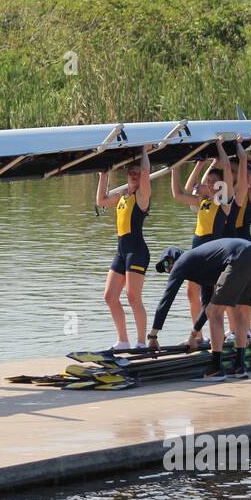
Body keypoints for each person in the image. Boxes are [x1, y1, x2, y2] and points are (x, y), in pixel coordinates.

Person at [146, 237, 251, 381]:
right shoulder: (203, 266)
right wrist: (193, 336)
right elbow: (206, 306)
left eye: (166, 263)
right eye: (164, 269)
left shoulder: (182, 261)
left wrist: (153, 336)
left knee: (215, 312)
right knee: (238, 311)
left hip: (241, 255)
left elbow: (166, 300)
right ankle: (239, 367)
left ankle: (215, 369)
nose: (168, 269)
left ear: (174, 257)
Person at [169, 137, 235, 325]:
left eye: (215, 181)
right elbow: (178, 194)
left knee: (211, 294)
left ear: (221, 185)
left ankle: (213, 331)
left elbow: (228, 170)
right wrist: (175, 169)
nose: (211, 183)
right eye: (209, 181)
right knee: (192, 291)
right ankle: (198, 334)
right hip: (196, 248)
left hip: (212, 252)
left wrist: (220, 147)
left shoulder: (223, 203)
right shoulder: (201, 201)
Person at [95, 147, 151, 351]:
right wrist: (104, 174)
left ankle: (141, 343)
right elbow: (100, 201)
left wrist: (144, 150)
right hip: (121, 251)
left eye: (137, 173)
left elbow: (145, 172)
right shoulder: (121, 196)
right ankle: (123, 340)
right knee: (110, 297)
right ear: (127, 176)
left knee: (133, 297)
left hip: (137, 251)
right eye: (131, 173)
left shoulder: (142, 197)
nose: (135, 176)